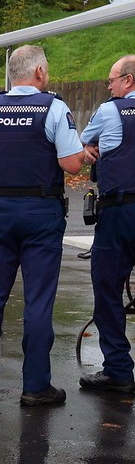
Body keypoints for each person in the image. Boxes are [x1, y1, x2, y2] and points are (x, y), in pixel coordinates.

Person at [0, 45, 85, 407]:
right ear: (40, 73)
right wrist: (83, 152)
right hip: (40, 212)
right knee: (38, 300)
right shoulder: (54, 108)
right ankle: (35, 385)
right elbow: (72, 165)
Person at [78, 55, 135, 394]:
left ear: (128, 81)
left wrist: (90, 147)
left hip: (121, 211)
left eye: (112, 79)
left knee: (108, 289)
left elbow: (86, 141)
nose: (109, 85)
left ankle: (118, 370)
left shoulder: (111, 111)